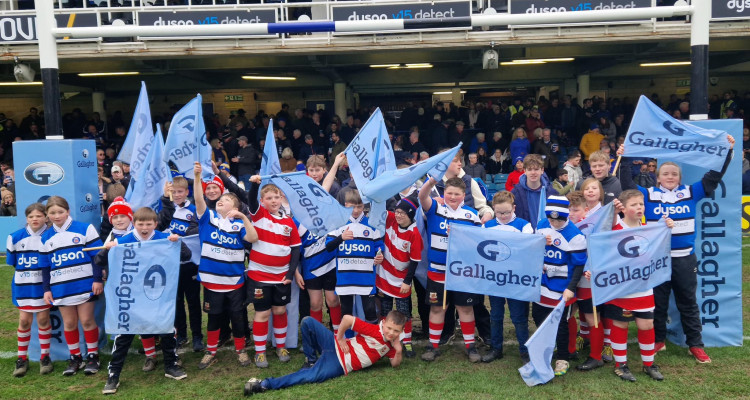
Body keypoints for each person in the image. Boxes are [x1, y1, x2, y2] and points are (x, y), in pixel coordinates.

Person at [617, 135, 735, 363]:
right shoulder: (648, 195)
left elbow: (714, 176)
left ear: (679, 178)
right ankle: (659, 339)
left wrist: (727, 152)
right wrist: (624, 157)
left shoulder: (692, 192)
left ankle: (696, 345)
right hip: (656, 259)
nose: (670, 177)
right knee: (658, 302)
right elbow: (626, 185)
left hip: (684, 259)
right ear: (657, 177)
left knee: (687, 302)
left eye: (674, 174)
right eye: (665, 174)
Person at [96, 208, 193, 394]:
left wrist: (178, 242)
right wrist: (107, 249)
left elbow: (186, 256)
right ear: (134, 224)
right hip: (131, 298)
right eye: (140, 224)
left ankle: (171, 366)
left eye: (149, 224)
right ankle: (113, 375)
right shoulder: (125, 240)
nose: (144, 227)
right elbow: (99, 261)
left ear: (155, 224)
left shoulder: (163, 237)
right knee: (124, 335)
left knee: (166, 329)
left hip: (157, 296)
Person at [592, 190, 673, 382]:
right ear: (624, 209)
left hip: (644, 287)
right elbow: (599, 243)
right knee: (620, 324)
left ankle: (649, 364)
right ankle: (621, 365)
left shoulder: (649, 230)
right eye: (634, 205)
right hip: (621, 288)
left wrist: (667, 226)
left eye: (641, 204)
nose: (639, 208)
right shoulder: (615, 229)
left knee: (646, 324)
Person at [193, 162, 259, 370]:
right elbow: (197, 199)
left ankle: (240, 350)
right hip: (212, 282)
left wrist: (243, 218)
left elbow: (253, 237)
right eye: (220, 199)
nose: (221, 201)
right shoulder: (208, 218)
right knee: (214, 318)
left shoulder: (239, 224)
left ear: (236, 208)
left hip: (235, 282)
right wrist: (196, 178)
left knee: (238, 317)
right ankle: (211, 351)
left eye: (227, 199)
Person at [243, 311, 406, 395]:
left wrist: (398, 350)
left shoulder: (392, 345)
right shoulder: (375, 330)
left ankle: (263, 384)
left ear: (401, 331)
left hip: (340, 363)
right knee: (307, 322)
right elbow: (348, 319)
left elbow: (395, 364)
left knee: (310, 377)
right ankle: (311, 360)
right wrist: (341, 338)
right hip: (334, 344)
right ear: (383, 323)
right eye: (389, 328)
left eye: (396, 331)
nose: (391, 333)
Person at [418, 176, 482, 362]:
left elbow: (478, 243)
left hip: (462, 272)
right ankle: (433, 345)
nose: (452, 197)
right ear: (444, 192)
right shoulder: (436, 208)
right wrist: (430, 184)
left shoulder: (471, 214)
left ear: (464, 195)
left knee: (465, 308)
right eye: (449, 193)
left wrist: (461, 236)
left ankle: (470, 346)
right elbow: (422, 197)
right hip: (437, 271)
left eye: (457, 194)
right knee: (438, 309)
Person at [40, 196, 104, 376]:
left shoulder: (85, 229)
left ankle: (93, 356)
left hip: (85, 284)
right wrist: (46, 289)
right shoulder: (46, 237)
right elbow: (45, 266)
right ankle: (75, 357)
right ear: (48, 214)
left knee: (87, 320)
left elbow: (97, 256)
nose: (57, 215)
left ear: (68, 211)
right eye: (52, 213)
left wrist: (97, 279)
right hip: (61, 287)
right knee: (68, 323)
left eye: (60, 211)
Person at [246, 174, 302, 368]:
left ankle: (281, 347)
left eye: (276, 197)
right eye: (269, 198)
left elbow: (295, 249)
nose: (273, 201)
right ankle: (260, 352)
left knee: (279, 310)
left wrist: (289, 274)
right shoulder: (259, 214)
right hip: (259, 276)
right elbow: (250, 200)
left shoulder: (289, 222)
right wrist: (254, 185)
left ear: (281, 199)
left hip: (281, 277)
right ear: (263, 202)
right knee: (262, 314)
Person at [535, 195, 587, 376]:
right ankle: (546, 351)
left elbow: (579, 265)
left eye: (558, 220)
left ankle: (563, 358)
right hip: (541, 283)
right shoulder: (541, 225)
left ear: (566, 217)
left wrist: (571, 288)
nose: (554, 223)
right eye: (551, 219)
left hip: (562, 286)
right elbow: (531, 248)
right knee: (538, 318)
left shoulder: (575, 236)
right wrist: (540, 242)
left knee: (561, 324)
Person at [480, 191, 534, 363]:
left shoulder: (524, 226)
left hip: (516, 279)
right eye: (499, 212)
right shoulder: (487, 226)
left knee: (518, 316)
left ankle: (524, 351)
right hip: (495, 278)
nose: (503, 216)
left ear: (514, 208)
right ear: (493, 209)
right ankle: (496, 348)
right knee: (495, 314)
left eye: (506, 212)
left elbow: (527, 251)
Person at [326, 190, 384, 327]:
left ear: (364, 206)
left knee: (370, 310)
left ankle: (370, 342)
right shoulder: (338, 223)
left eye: (359, 206)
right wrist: (341, 238)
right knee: (346, 312)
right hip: (346, 277)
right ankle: (348, 342)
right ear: (345, 205)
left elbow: (379, 246)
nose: (356, 210)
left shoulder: (372, 223)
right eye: (352, 206)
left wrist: (379, 255)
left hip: (366, 277)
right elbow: (328, 246)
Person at [8, 203, 53, 377]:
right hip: (23, 286)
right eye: (31, 216)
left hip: (42, 287)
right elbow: (13, 262)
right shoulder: (15, 237)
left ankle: (45, 357)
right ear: (26, 219)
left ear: (45, 218)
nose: (35, 219)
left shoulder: (50, 236)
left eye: (39, 216)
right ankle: (21, 359)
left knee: (43, 320)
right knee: (24, 321)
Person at [160, 177, 204, 352]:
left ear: (187, 192)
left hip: (189, 263)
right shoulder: (163, 209)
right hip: (169, 264)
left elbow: (196, 233)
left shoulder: (193, 210)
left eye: (180, 191)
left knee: (193, 301)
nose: (176, 195)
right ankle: (182, 335)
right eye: (173, 192)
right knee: (176, 301)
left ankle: (197, 336)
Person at [375, 198, 423, 358]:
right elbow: (378, 207)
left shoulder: (414, 234)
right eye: (397, 211)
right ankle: (385, 342)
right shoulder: (390, 219)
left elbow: (415, 262)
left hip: (401, 279)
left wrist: (407, 282)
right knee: (385, 310)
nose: (398, 215)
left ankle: (407, 342)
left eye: (402, 213)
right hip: (384, 276)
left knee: (404, 313)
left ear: (410, 215)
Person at [511, 154, 557, 229]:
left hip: (548, 236)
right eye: (529, 169)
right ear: (524, 171)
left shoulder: (552, 193)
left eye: (536, 169)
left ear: (542, 170)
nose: (533, 173)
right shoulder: (515, 193)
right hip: (525, 236)